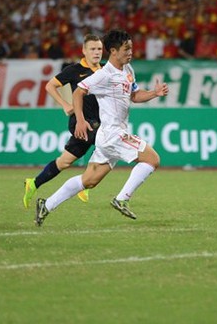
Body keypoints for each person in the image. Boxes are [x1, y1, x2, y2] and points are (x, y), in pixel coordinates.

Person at [35, 29, 168, 225]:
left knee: (89, 181)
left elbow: (135, 96)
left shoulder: (128, 70)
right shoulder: (104, 75)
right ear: (113, 51)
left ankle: (46, 205)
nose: (131, 52)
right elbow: (78, 92)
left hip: (108, 136)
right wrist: (80, 120)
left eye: (131, 48)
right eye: (127, 49)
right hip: (113, 133)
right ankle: (122, 198)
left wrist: (154, 93)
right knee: (152, 159)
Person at [22, 33, 104, 208]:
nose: (97, 52)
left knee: (64, 162)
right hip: (80, 121)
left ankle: (34, 183)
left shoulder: (105, 70)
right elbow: (50, 85)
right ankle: (86, 184)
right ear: (84, 50)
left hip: (98, 122)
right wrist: (65, 104)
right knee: (106, 143)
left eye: (99, 49)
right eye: (93, 49)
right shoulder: (74, 70)